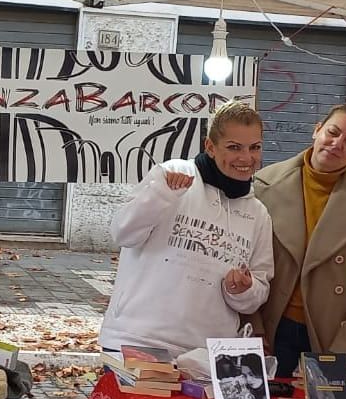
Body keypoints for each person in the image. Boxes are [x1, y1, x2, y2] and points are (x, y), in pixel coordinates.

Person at [98, 100, 274, 356]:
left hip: (208, 353)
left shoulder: (258, 214)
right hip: (138, 341)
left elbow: (258, 293)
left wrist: (243, 289)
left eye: (254, 147)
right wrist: (161, 195)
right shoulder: (172, 175)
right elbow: (123, 232)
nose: (246, 158)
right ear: (210, 147)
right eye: (234, 147)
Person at [249, 103, 346, 381]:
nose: (337, 144)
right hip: (272, 330)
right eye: (333, 132)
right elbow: (247, 262)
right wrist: (254, 328)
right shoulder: (265, 184)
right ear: (317, 130)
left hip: (338, 334)